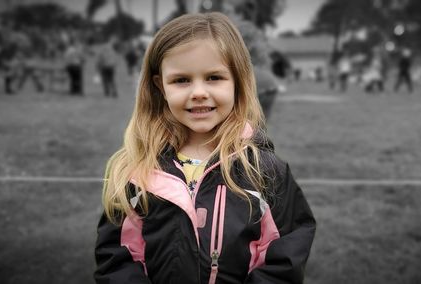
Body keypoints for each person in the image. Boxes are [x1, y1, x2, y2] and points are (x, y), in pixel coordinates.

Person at [94, 12, 316, 284]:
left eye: (213, 77)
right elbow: (116, 259)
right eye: (181, 80)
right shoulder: (137, 170)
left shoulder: (265, 171)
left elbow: (285, 259)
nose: (198, 92)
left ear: (237, 80)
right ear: (160, 86)